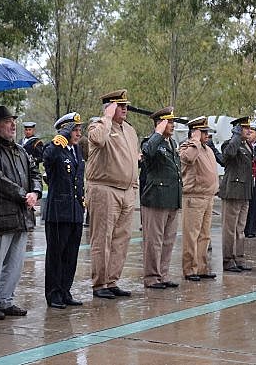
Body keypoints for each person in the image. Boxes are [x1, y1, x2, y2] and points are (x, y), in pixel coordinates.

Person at [0, 106, 42, 320]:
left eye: (13, 120)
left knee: (15, 264)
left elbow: (35, 172)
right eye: (7, 121)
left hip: (22, 215)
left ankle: (6, 301)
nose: (13, 125)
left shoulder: (20, 150)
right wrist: (24, 195)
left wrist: (35, 191)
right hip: (0, 216)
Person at [86, 89, 140, 299]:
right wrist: (107, 117)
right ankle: (99, 283)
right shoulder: (99, 125)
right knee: (102, 239)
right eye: (120, 105)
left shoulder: (129, 130)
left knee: (121, 240)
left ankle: (111, 281)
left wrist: (133, 188)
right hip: (105, 189)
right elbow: (98, 140)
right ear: (109, 107)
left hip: (126, 191)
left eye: (126, 105)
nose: (125, 109)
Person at [43, 112, 86, 308]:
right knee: (56, 255)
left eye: (79, 130)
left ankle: (65, 290)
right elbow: (48, 159)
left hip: (75, 209)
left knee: (71, 255)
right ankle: (54, 294)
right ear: (66, 130)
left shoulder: (76, 150)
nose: (78, 133)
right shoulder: (56, 148)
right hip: (59, 211)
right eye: (75, 130)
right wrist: (56, 143)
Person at [139, 107, 183, 288]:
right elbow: (148, 153)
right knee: (154, 241)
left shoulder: (171, 143)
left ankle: (162, 275)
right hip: (156, 198)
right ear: (160, 123)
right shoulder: (151, 142)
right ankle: (151, 277)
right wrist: (157, 132)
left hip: (172, 198)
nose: (172, 125)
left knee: (168, 241)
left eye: (173, 122)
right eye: (169, 122)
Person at [179, 116, 219, 281]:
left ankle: (202, 268)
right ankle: (190, 269)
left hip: (208, 197)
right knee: (191, 235)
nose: (207, 135)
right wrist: (194, 140)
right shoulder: (188, 146)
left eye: (207, 131)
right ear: (194, 132)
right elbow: (188, 158)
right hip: (194, 197)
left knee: (205, 235)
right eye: (203, 132)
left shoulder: (207, 149)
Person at [220, 116, 254, 272]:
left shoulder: (247, 146)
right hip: (232, 191)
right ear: (237, 129)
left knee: (240, 228)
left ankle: (239, 258)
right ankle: (228, 260)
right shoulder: (230, 144)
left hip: (244, 192)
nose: (249, 130)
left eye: (248, 128)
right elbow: (228, 155)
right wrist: (236, 135)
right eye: (244, 127)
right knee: (230, 228)